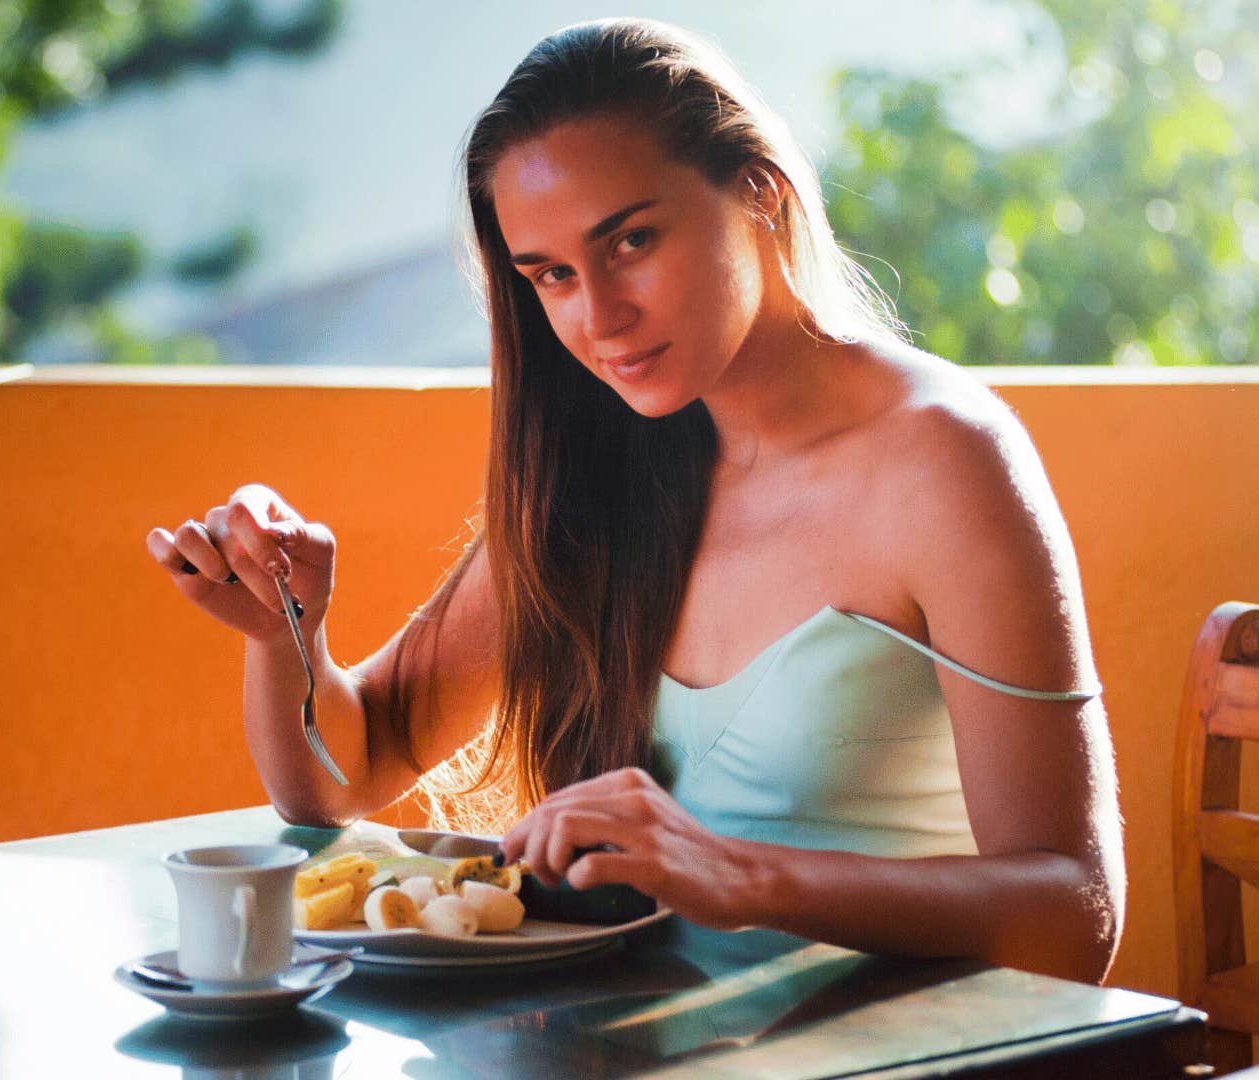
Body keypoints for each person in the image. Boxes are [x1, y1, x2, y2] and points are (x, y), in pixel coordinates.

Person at [145, 17, 1124, 982]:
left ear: (760, 192)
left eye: (633, 242)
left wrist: (738, 874)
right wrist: (286, 634)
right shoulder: (600, 465)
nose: (600, 317)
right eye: (554, 277)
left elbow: (1075, 915)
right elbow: (346, 775)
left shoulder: (943, 459)